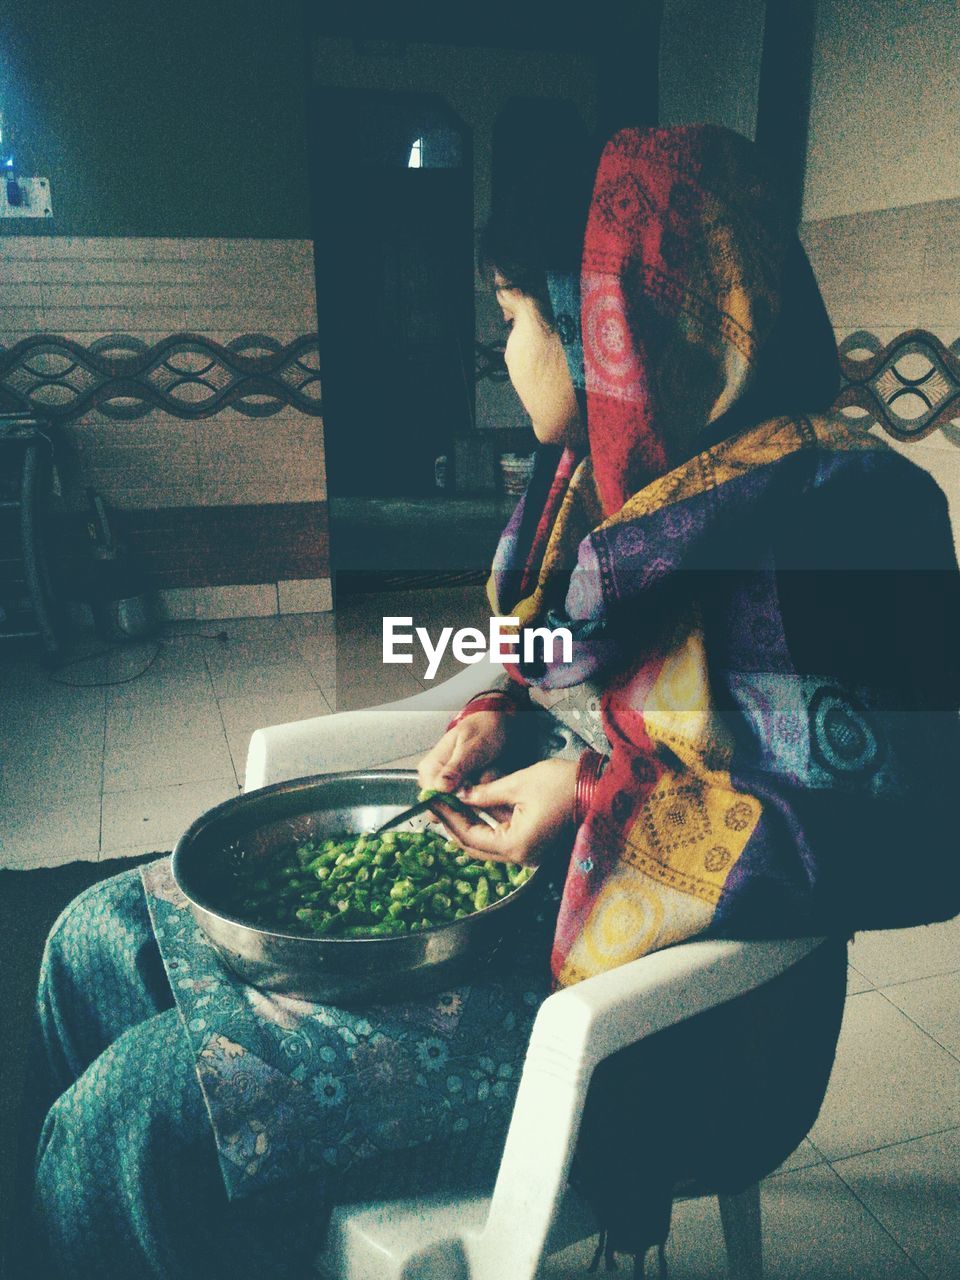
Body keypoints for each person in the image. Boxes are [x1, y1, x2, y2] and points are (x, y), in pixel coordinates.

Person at [12, 124, 960, 1278]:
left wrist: (589, 788)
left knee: (136, 1119)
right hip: (544, 917)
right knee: (96, 934)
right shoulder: (621, 482)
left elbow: (869, 825)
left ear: (602, 314)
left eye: (513, 312)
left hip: (660, 1028)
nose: (503, 344)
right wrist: (505, 711)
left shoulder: (842, 520)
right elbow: (584, 674)